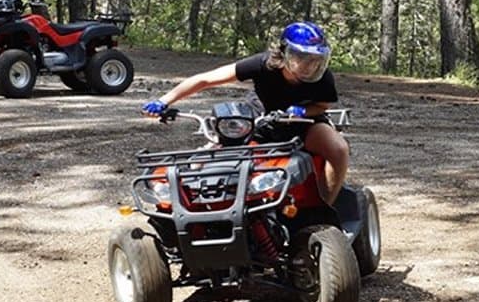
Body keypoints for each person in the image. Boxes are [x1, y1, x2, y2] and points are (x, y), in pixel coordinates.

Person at [141, 22, 349, 205]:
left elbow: (323, 106)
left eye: (315, 59)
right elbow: (206, 79)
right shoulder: (263, 64)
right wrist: (164, 100)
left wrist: (303, 110)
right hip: (260, 119)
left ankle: (324, 207)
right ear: (285, 53)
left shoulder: (322, 78)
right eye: (302, 57)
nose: (309, 65)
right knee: (213, 152)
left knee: (338, 148)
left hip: (304, 122)